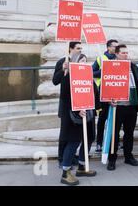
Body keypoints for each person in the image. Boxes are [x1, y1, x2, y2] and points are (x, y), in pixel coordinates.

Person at [53, 45, 98, 185]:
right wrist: (77, 109)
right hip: (73, 116)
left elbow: (94, 93)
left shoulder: (88, 76)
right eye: (81, 61)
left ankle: (82, 166)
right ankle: (66, 172)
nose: (84, 64)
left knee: (88, 138)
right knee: (73, 141)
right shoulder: (68, 77)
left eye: (85, 61)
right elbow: (66, 97)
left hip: (88, 114)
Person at [107, 45, 138, 170]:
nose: (126, 55)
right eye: (123, 53)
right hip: (117, 106)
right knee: (114, 134)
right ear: (117, 54)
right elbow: (106, 84)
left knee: (129, 133)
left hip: (131, 106)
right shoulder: (110, 66)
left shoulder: (131, 66)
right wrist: (109, 100)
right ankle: (112, 159)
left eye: (127, 53)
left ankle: (128, 156)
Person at [56, 42, 82, 169]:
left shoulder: (81, 61)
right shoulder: (62, 61)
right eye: (78, 48)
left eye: (81, 48)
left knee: (75, 133)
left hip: (78, 102)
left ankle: (71, 156)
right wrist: (63, 69)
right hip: (66, 103)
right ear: (70, 49)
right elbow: (55, 81)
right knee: (65, 133)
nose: (80, 50)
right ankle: (61, 158)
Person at [93, 39, 119, 153]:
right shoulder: (100, 59)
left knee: (116, 120)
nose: (116, 48)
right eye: (114, 46)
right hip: (103, 94)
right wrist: (103, 71)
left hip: (117, 93)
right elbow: (91, 72)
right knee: (102, 119)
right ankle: (99, 143)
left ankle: (115, 142)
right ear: (108, 47)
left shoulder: (120, 59)